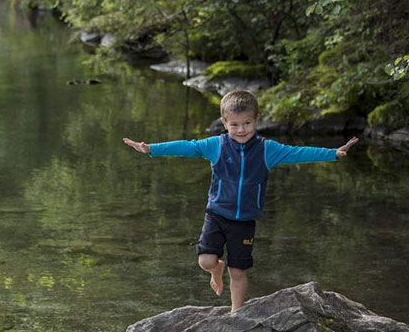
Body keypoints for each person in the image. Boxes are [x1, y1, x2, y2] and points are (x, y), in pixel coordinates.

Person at [123, 89, 358, 313]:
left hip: (245, 220)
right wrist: (151, 149)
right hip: (216, 213)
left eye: (247, 123)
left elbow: (298, 152)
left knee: (238, 271)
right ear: (224, 124)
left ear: (257, 120)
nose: (241, 129)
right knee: (205, 261)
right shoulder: (216, 145)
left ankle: (236, 312)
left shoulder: (268, 149)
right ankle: (217, 270)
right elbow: (186, 146)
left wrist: (333, 153)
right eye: (234, 124)